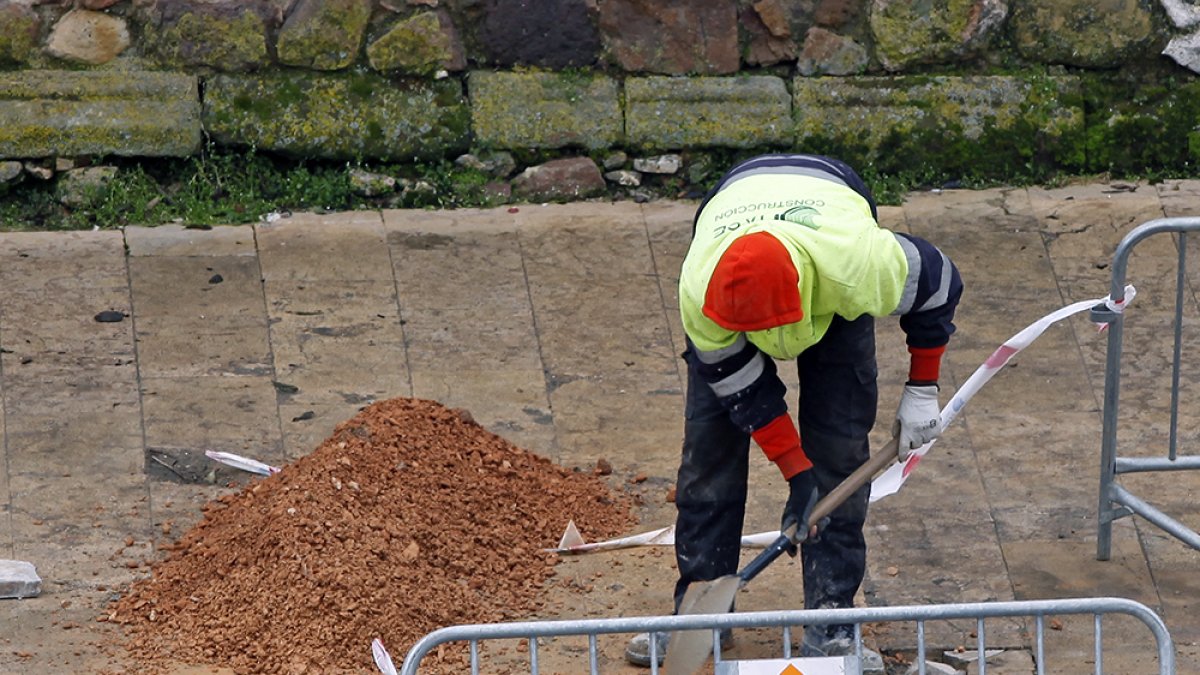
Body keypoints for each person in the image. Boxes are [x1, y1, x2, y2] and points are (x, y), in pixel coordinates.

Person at [624, 154, 963, 670]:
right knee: (708, 460)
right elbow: (745, 394)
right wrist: (796, 474)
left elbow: (940, 286)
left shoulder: (857, 264)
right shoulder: (702, 290)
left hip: (828, 217)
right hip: (733, 208)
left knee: (840, 447)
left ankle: (831, 626)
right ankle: (697, 623)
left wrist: (922, 386)